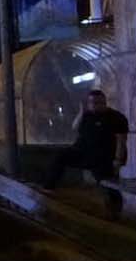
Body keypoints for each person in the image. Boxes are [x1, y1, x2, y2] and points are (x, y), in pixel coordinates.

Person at [47, 89, 129, 218]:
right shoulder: (87, 115)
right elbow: (75, 127)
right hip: (82, 152)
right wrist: (81, 112)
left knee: (109, 184)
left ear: (104, 102)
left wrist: (117, 160)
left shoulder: (116, 117)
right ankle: (49, 187)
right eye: (91, 102)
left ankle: (115, 212)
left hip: (103, 157)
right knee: (60, 156)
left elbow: (121, 140)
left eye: (97, 102)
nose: (94, 105)